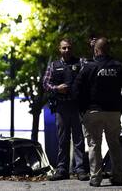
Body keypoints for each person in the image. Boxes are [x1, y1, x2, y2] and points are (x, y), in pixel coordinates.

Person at [73, 37, 122, 187]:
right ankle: (118, 176)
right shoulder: (118, 66)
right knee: (114, 143)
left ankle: (95, 178)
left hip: (93, 112)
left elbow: (76, 89)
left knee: (94, 144)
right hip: (113, 112)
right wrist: (121, 109)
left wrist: (82, 110)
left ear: (96, 50)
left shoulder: (89, 67)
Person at [43, 39, 89, 181]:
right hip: (61, 107)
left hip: (76, 106)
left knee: (78, 140)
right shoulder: (53, 65)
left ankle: (80, 170)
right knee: (62, 140)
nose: (67, 50)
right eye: (64, 48)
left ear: (72, 48)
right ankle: (62, 170)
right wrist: (57, 88)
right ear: (59, 49)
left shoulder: (80, 63)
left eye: (69, 48)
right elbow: (45, 83)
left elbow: (91, 70)